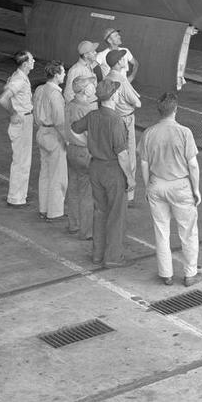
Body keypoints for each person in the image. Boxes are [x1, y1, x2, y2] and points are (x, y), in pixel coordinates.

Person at [138, 92, 201, 286]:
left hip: (157, 184)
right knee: (188, 231)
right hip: (180, 185)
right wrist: (196, 189)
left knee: (161, 230)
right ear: (175, 110)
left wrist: (148, 186)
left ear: (159, 111)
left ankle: (166, 274)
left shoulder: (149, 133)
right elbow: (193, 165)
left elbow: (143, 164)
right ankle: (190, 273)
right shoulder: (184, 132)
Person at [71, 78, 134, 268]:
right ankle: (114, 257)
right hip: (112, 169)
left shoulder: (93, 115)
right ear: (113, 96)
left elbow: (75, 127)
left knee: (100, 211)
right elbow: (122, 154)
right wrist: (130, 178)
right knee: (116, 214)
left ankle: (97, 254)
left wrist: (93, 140)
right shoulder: (115, 120)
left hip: (95, 166)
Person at [0, 50, 35, 207]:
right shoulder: (19, 80)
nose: (34, 62)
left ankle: (20, 195)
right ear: (25, 64)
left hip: (25, 118)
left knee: (22, 160)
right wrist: (13, 113)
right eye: (32, 60)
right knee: (21, 161)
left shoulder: (19, 77)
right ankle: (16, 198)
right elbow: (3, 98)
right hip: (22, 120)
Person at [105, 48, 141, 203]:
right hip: (126, 119)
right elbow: (137, 102)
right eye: (122, 58)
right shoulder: (122, 80)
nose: (124, 60)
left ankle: (115, 189)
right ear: (118, 62)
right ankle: (128, 194)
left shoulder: (107, 78)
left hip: (112, 118)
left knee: (115, 154)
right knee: (129, 155)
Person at [33, 60, 68, 221]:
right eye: (62, 72)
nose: (64, 74)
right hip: (54, 134)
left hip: (41, 131)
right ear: (55, 75)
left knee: (45, 172)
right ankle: (55, 212)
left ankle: (43, 208)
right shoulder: (55, 94)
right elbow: (60, 121)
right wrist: (67, 140)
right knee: (58, 175)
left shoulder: (40, 89)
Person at [64, 75, 97, 239]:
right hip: (85, 151)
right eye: (91, 84)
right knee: (86, 192)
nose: (94, 87)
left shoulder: (69, 105)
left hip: (71, 149)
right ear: (85, 89)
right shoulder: (87, 110)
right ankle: (86, 231)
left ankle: (74, 223)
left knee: (73, 187)